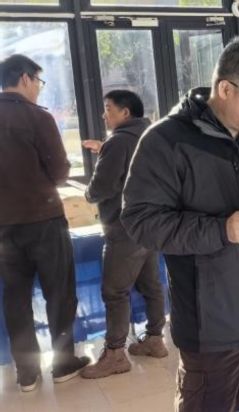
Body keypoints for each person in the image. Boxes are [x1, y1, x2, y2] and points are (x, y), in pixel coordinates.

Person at [120, 37, 239, 411]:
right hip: (212, 328)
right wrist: (220, 230)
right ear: (226, 89)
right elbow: (140, 220)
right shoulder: (168, 141)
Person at [0, 54, 90, 392]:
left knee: (15, 297)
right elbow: (60, 171)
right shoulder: (37, 117)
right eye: (38, 80)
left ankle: (27, 374)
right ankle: (63, 364)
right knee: (59, 293)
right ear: (25, 78)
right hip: (43, 221)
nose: (39, 87)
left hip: (3, 227)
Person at [80, 90, 168, 379]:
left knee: (115, 292)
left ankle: (115, 354)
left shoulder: (118, 142)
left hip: (123, 228)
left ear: (125, 112)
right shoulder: (152, 135)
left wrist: (88, 193)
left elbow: (101, 187)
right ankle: (155, 339)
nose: (104, 115)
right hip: (150, 225)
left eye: (108, 108)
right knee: (151, 285)